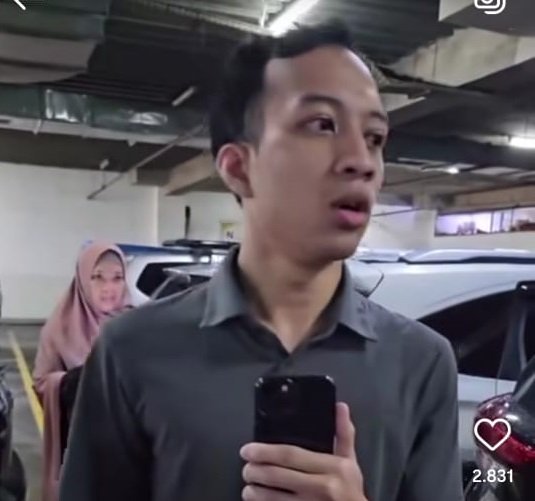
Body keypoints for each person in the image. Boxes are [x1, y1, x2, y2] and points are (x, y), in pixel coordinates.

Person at [59, 22, 463, 501]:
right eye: (322, 124)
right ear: (238, 168)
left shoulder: (421, 362)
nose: (362, 160)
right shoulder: (131, 351)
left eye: (374, 136)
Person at [33, 242, 131, 501]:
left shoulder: (136, 325)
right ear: (83, 279)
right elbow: (41, 382)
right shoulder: (59, 329)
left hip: (128, 450)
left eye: (117, 278)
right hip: (79, 448)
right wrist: (72, 382)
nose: (109, 288)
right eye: (98, 277)